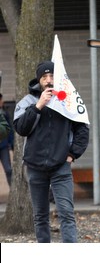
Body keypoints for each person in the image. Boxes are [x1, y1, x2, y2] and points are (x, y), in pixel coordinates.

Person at [13, 61, 90, 243]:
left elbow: (83, 129)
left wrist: (72, 155)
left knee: (66, 214)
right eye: (44, 77)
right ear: (39, 80)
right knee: (40, 216)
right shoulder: (28, 101)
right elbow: (21, 128)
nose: (48, 80)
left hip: (61, 166)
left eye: (52, 76)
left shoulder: (69, 99)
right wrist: (39, 105)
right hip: (35, 166)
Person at [0, 93, 14, 186]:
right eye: (1, 100)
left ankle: (13, 190)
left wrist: (12, 144)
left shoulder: (4, 113)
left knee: (8, 170)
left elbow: (10, 130)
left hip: (3, 146)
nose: (2, 102)